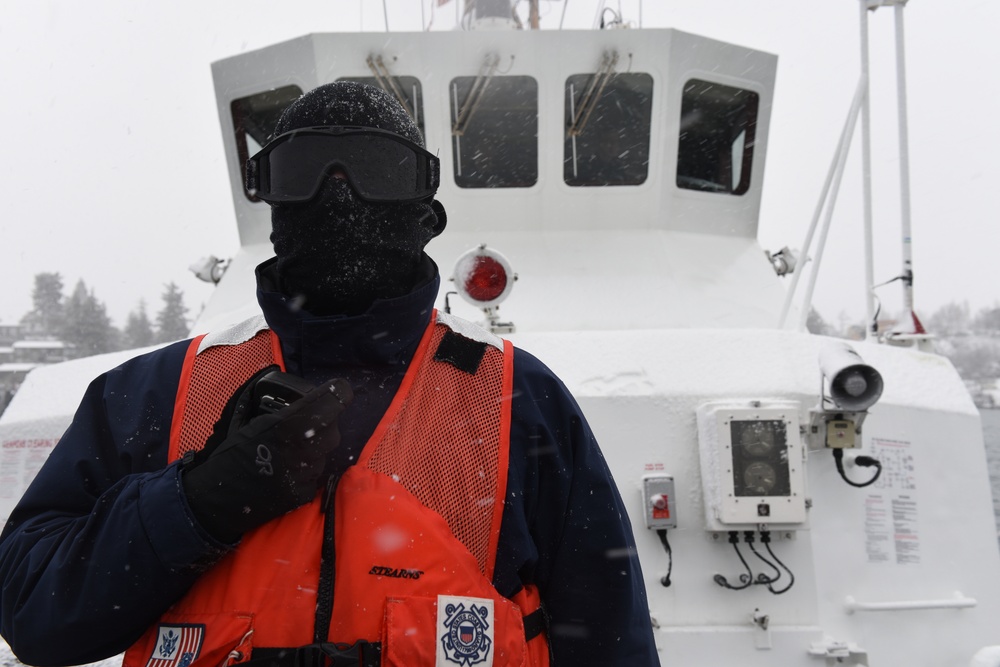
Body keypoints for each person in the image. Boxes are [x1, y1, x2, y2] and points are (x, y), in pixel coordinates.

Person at [0, 82, 659, 667]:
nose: (338, 193)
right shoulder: (157, 394)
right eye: (304, 170)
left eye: (377, 168)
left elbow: (610, 640)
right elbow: (32, 612)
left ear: (427, 214)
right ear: (271, 200)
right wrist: (198, 501)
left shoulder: (520, 402)